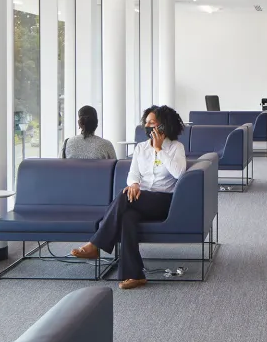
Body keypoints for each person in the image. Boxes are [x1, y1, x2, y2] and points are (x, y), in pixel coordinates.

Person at [71, 105, 187, 289]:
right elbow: (133, 174)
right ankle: (135, 274)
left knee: (124, 197)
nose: (148, 126)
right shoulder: (141, 148)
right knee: (127, 217)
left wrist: (159, 150)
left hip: (164, 201)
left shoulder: (175, 147)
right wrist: (133, 184)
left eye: (152, 123)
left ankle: (96, 244)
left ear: (163, 126)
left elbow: (179, 173)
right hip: (142, 199)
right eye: (146, 122)